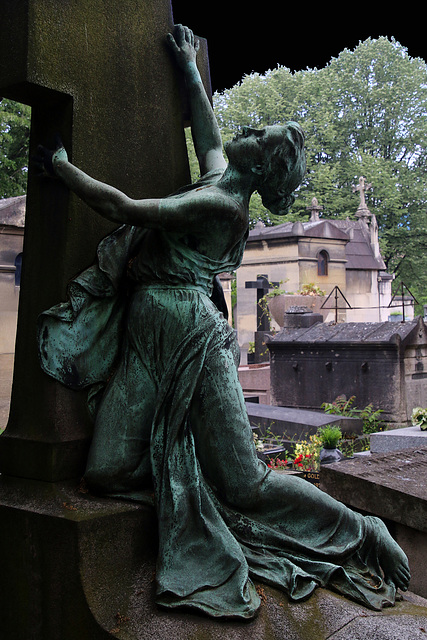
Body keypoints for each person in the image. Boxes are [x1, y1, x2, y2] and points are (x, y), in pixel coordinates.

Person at [36, 25, 410, 619]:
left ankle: (361, 532)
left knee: (247, 483)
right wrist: (187, 67)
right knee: (105, 471)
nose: (248, 132)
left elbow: (125, 208)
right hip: (152, 328)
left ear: (260, 166)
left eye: (258, 137)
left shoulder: (221, 205)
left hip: (192, 335)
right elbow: (209, 135)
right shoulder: (220, 177)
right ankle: (182, 464)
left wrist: (60, 165)